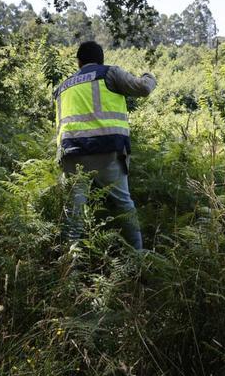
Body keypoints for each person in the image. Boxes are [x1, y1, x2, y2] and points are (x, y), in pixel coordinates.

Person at [54, 41, 156, 250]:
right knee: (123, 204)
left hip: (71, 152)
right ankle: (137, 258)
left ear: (79, 62)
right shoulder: (109, 73)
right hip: (107, 150)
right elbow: (143, 88)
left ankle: (69, 266)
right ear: (101, 60)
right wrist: (150, 76)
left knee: (74, 210)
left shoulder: (62, 87)